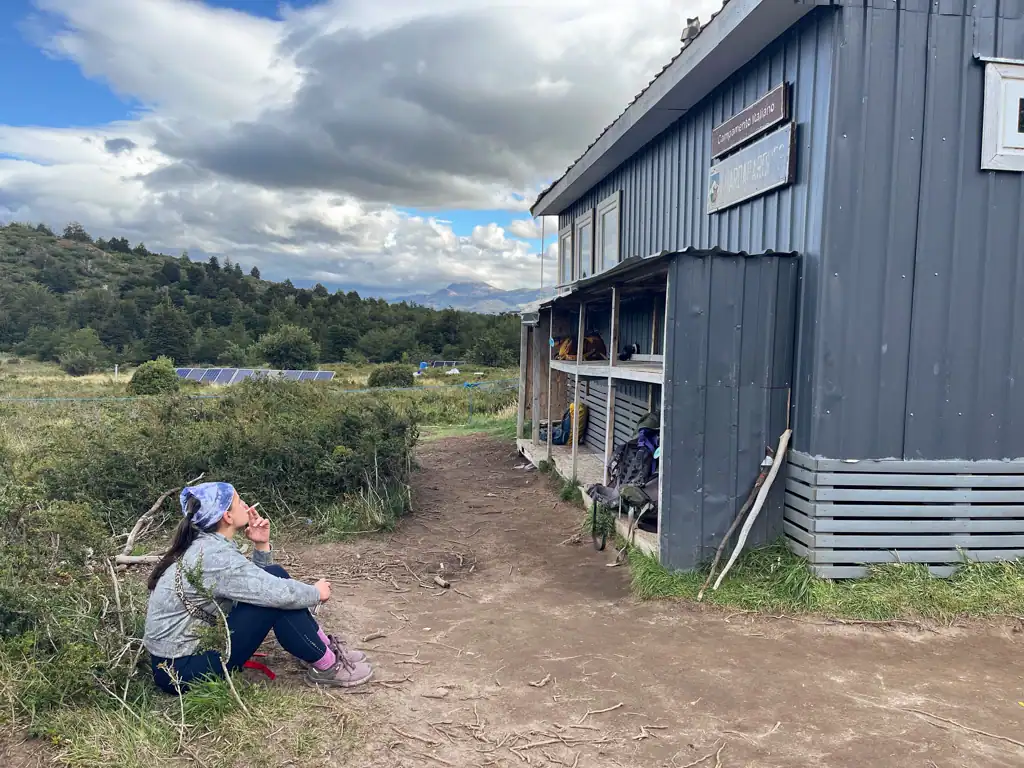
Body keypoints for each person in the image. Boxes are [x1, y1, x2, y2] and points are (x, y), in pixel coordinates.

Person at [144, 481, 372, 692]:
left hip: (176, 663)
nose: (245, 504)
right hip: (181, 674)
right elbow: (271, 593)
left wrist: (261, 545)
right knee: (275, 600)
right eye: (238, 501)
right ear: (227, 517)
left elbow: (251, 584)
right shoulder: (215, 556)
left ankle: (322, 650)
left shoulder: (204, 546)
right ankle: (327, 666)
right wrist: (315, 593)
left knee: (275, 576)